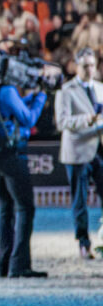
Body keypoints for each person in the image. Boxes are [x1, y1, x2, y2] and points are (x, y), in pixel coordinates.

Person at [0, 39, 53, 278]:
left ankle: (4, 264)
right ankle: (20, 266)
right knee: (25, 208)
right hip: (10, 155)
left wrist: (30, 97)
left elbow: (13, 109)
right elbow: (28, 119)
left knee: (6, 209)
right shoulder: (7, 90)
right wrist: (41, 96)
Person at [54, 49, 101, 261]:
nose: (90, 69)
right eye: (85, 66)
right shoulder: (66, 91)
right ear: (76, 66)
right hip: (78, 153)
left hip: (99, 150)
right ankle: (83, 243)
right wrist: (87, 120)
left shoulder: (100, 88)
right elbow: (63, 122)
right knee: (80, 202)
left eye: (92, 65)